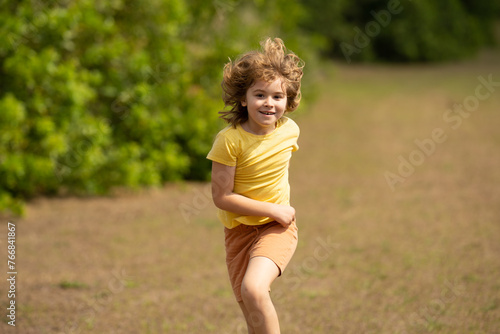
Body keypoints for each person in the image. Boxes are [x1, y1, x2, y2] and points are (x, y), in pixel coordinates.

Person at [207, 37, 304, 334]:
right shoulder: (229, 141)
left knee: (254, 289)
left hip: (277, 226)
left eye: (278, 96)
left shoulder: (290, 130)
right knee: (253, 314)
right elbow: (222, 197)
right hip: (238, 234)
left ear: (288, 100)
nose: (269, 103)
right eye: (260, 95)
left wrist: (277, 213)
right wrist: (271, 207)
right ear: (243, 98)